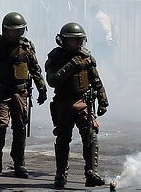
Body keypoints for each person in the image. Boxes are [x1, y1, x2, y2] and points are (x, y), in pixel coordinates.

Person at [0, 12, 47, 178]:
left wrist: (42, 88)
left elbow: (35, 69)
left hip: (21, 92)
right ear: (5, 30)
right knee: (0, 125)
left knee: (20, 127)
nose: (16, 34)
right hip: (2, 91)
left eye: (19, 31)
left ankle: (19, 162)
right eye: (13, 31)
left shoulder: (26, 47)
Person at [45, 22, 108, 189]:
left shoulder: (86, 57)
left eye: (81, 40)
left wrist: (103, 101)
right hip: (63, 103)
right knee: (63, 138)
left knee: (91, 134)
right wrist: (72, 65)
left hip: (83, 102)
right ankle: (60, 174)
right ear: (64, 40)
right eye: (74, 40)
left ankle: (91, 173)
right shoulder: (56, 57)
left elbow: (96, 81)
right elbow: (52, 81)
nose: (79, 43)